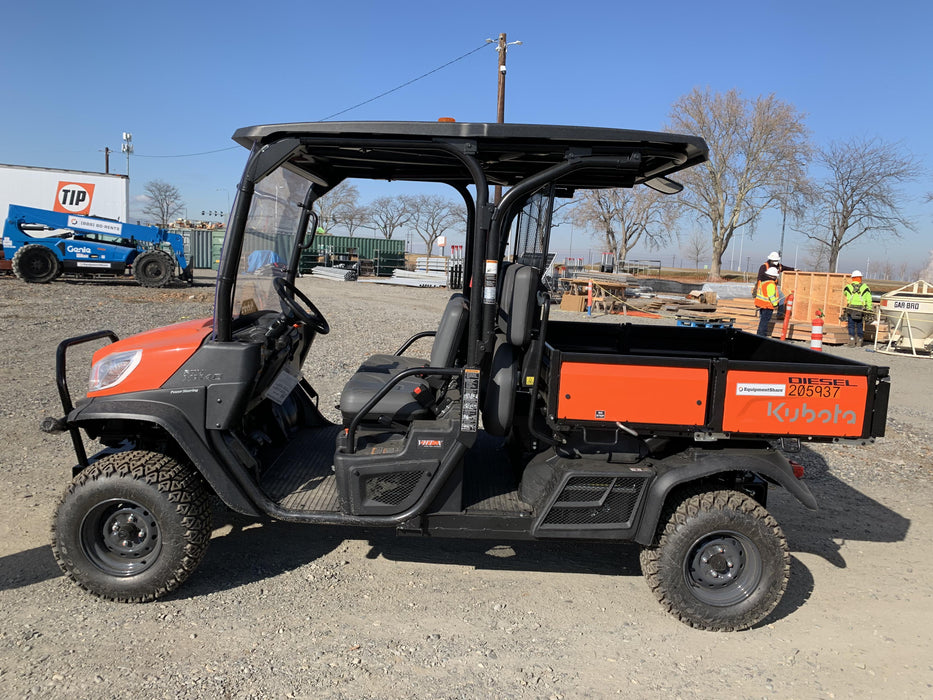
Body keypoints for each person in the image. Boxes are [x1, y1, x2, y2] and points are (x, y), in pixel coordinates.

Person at [843, 270, 872, 347]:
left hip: (851, 308)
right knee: (860, 325)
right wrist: (869, 309)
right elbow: (869, 299)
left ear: (852, 278)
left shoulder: (848, 287)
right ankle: (859, 341)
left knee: (851, 325)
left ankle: (851, 341)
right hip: (861, 309)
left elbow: (845, 293)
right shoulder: (865, 287)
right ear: (860, 278)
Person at [755, 266, 780, 337]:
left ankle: (760, 334)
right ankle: (761, 335)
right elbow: (771, 295)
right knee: (764, 321)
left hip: (761, 304)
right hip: (767, 306)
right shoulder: (770, 284)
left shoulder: (763, 282)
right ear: (773, 276)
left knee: (762, 320)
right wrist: (775, 304)